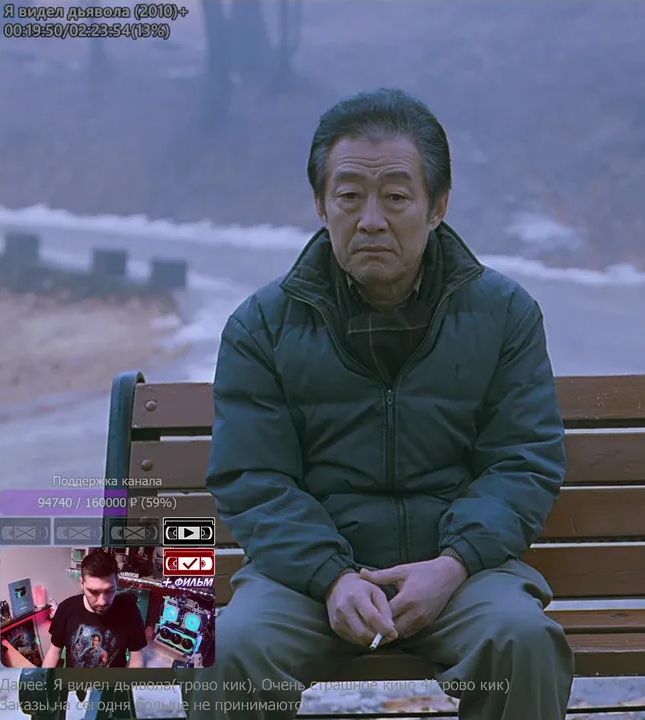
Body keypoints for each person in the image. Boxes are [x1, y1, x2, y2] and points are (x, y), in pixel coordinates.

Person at [177, 88, 572, 719]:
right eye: (349, 196)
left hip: (459, 575)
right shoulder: (263, 326)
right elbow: (254, 478)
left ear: (437, 206)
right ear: (321, 205)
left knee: (520, 641)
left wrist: (453, 565)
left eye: (395, 197)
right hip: (308, 582)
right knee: (231, 651)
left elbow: (522, 461)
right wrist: (333, 577)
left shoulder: (503, 315)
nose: (370, 220)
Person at [42, 549, 147, 668]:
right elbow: (54, 653)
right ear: (82, 583)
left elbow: (137, 659)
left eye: (109, 591)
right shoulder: (66, 609)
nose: (102, 602)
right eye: (93, 592)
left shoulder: (130, 612)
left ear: (117, 582)